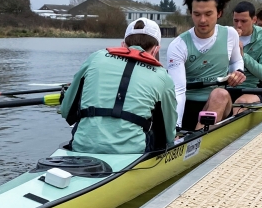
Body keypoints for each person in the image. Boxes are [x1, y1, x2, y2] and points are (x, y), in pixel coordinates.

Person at [60, 18, 177, 154]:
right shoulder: (163, 77)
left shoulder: (96, 57)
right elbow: (169, 134)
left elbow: (66, 111)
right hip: (131, 153)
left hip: (82, 146)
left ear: (123, 45)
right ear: (156, 50)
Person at [165, 0, 245, 130]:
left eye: (208, 14)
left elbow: (236, 61)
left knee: (220, 93)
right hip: (187, 104)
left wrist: (238, 71)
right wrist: (175, 128)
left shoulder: (230, 34)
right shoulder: (178, 45)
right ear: (190, 13)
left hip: (217, 102)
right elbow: (178, 91)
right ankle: (193, 137)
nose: (202, 20)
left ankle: (197, 139)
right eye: (197, 14)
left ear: (219, 13)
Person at [232, 1, 262, 111]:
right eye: (236, 20)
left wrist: (243, 55)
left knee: (241, 103)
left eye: (243, 21)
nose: (238, 25)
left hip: (253, 88)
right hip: (226, 86)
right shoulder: (226, 34)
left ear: (254, 20)